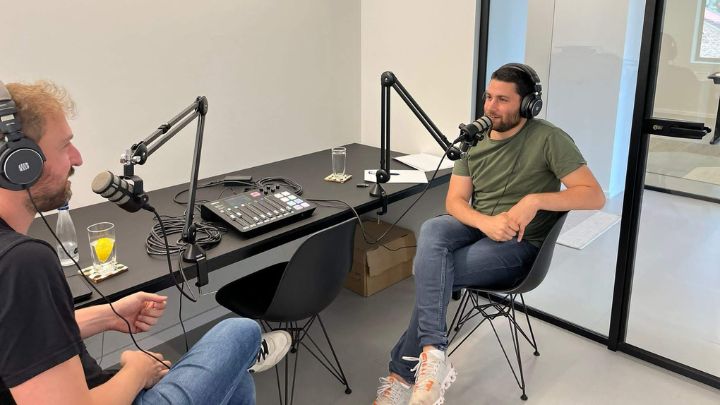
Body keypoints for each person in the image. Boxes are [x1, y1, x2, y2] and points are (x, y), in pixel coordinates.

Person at [0, 80, 292, 405]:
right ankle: (249, 355)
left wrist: (110, 315)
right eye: (64, 145)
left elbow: (24, 337)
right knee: (241, 331)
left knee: (236, 382)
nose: (78, 158)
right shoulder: (21, 262)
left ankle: (240, 365)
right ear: (20, 161)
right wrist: (136, 370)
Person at [373, 63, 606, 405]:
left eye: (502, 100)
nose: (491, 107)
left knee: (434, 272)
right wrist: (485, 223)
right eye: (488, 97)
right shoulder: (475, 138)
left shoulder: (549, 138)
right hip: (481, 227)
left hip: (521, 245)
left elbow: (594, 195)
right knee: (433, 228)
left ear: (528, 105)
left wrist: (535, 200)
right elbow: (455, 200)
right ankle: (434, 356)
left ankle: (401, 374)